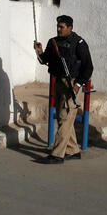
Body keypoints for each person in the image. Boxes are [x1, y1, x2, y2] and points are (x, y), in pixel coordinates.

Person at [33, 15, 93, 164]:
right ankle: (73, 150)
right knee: (61, 117)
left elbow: (88, 67)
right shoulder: (53, 41)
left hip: (71, 83)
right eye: (58, 26)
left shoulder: (79, 43)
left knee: (65, 118)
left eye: (62, 27)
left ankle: (57, 154)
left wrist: (78, 85)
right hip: (58, 82)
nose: (58, 29)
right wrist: (39, 51)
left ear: (70, 28)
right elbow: (44, 60)